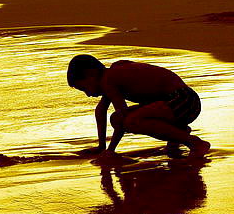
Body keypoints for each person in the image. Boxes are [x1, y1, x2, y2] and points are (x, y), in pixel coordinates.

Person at [66, 54, 211, 159]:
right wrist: (101, 147)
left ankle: (193, 142)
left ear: (91, 74)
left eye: (84, 88)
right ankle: (178, 135)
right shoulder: (111, 74)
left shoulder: (108, 79)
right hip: (179, 103)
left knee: (130, 121)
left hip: (182, 100)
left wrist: (110, 151)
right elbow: (101, 111)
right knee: (118, 119)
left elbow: (123, 117)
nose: (88, 94)